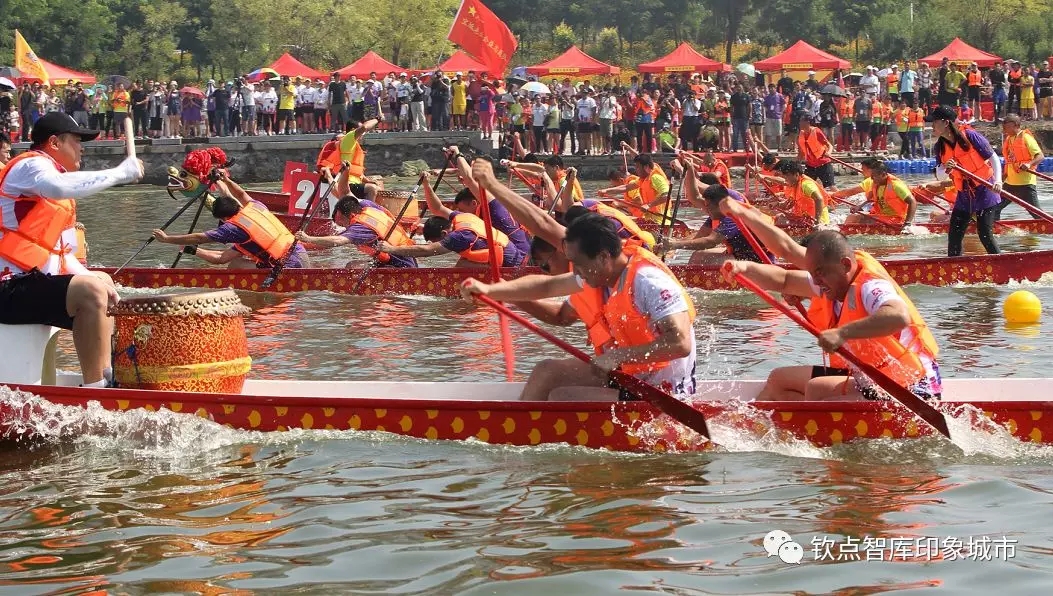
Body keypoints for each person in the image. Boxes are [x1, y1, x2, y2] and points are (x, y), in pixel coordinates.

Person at [461, 212, 698, 401]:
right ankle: (516, 440)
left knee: (563, 397)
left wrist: (617, 356)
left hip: (662, 390)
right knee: (547, 371)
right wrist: (491, 291)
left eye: (579, 264)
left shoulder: (648, 281)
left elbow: (680, 343)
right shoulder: (598, 275)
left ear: (603, 257)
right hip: (630, 374)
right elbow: (546, 287)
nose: (576, 271)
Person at [721, 199, 941, 402]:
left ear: (845, 265)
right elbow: (785, 276)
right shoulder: (830, 278)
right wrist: (744, 267)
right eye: (813, 274)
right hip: (870, 377)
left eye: (820, 273)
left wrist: (841, 333)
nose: (816, 282)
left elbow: (898, 316)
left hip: (912, 386)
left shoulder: (870, 286)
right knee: (779, 380)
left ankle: (807, 436)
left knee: (816, 389)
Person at [0, 112, 144, 388]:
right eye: (77, 141)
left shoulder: (57, 195)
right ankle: (94, 392)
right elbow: (56, 186)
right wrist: (119, 173)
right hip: (7, 288)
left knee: (100, 282)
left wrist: (95, 276)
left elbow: (64, 258)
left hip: (32, 288)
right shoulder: (31, 166)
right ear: (54, 142)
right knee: (89, 291)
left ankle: (105, 377)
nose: (81, 149)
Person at [152, 174, 308, 269]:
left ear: (224, 219)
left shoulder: (234, 229)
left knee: (236, 265)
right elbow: (239, 194)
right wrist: (223, 179)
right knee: (238, 258)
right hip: (302, 255)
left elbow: (200, 238)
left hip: (287, 267)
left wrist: (167, 239)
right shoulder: (254, 206)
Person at [926, 105, 1001, 255]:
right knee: (954, 236)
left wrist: (998, 181)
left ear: (946, 123)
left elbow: (993, 158)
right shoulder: (939, 147)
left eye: (934, 122)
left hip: (985, 190)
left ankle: (1002, 266)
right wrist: (948, 168)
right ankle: (954, 268)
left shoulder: (970, 135)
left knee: (984, 234)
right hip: (964, 195)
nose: (931, 126)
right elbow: (941, 176)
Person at [295, 177, 417, 268]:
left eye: (342, 223)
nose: (344, 227)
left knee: (352, 267)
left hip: (401, 267)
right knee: (353, 264)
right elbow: (345, 193)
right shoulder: (368, 206)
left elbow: (337, 241)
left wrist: (308, 239)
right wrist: (346, 172)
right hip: (408, 258)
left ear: (350, 215)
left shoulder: (361, 227)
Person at [658, 170, 770, 265]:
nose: (706, 210)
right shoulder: (717, 212)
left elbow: (710, 242)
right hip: (739, 253)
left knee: (701, 259)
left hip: (759, 259)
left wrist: (676, 245)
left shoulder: (733, 216)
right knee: (697, 256)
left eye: (708, 207)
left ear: (719, 205)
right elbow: (699, 235)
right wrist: (671, 245)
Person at [830, 159, 917, 228]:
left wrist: (907, 224)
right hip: (882, 216)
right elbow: (871, 200)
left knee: (862, 219)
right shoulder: (876, 184)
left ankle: (846, 234)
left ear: (883, 174)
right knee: (852, 217)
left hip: (897, 219)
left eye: (874, 176)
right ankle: (846, 234)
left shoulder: (896, 185)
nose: (871, 178)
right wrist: (859, 207)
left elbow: (913, 202)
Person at [997, 114, 1044, 220]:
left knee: (1037, 214)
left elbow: (1040, 156)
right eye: (1003, 126)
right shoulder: (1008, 139)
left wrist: (1029, 164)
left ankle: (1048, 227)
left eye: (1007, 126)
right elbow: (1009, 162)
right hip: (1010, 184)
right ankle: (993, 229)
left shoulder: (1026, 138)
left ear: (1016, 125)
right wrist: (1000, 179)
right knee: (995, 207)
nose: (1004, 129)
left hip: (1025, 184)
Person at [760, 159, 830, 226]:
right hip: (805, 219)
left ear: (796, 175)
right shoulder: (794, 185)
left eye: (786, 177)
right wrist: (777, 204)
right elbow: (789, 205)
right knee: (779, 217)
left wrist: (817, 222)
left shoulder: (806, 184)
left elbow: (819, 199)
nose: (785, 181)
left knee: (779, 220)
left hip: (819, 222)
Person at [796, 116, 835, 188]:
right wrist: (797, 164)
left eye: (801, 121)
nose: (799, 123)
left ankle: (839, 197)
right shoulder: (800, 135)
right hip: (810, 165)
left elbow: (829, 145)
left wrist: (829, 153)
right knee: (805, 186)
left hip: (823, 164)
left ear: (807, 122)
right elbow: (801, 152)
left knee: (830, 187)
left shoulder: (816, 131)